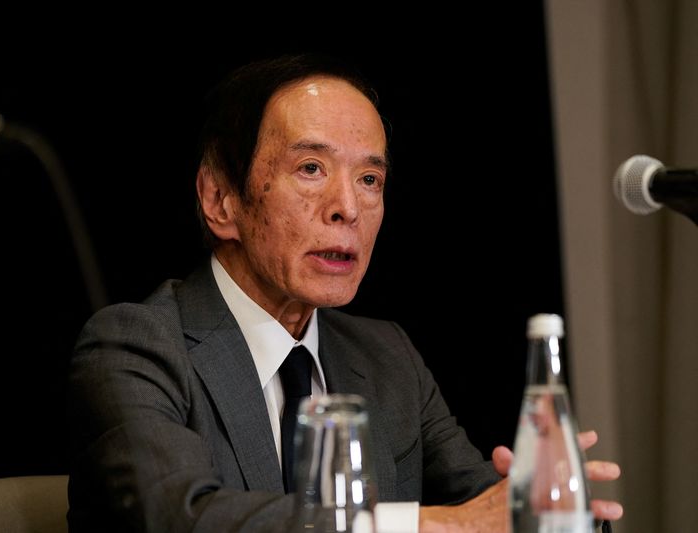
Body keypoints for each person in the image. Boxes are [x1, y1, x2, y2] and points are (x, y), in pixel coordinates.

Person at [66, 54, 622, 532]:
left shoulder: (386, 357)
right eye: (311, 168)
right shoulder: (135, 347)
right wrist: (427, 523)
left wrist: (555, 506)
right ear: (220, 199)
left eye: (369, 180)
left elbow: (482, 505)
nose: (348, 208)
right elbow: (178, 517)